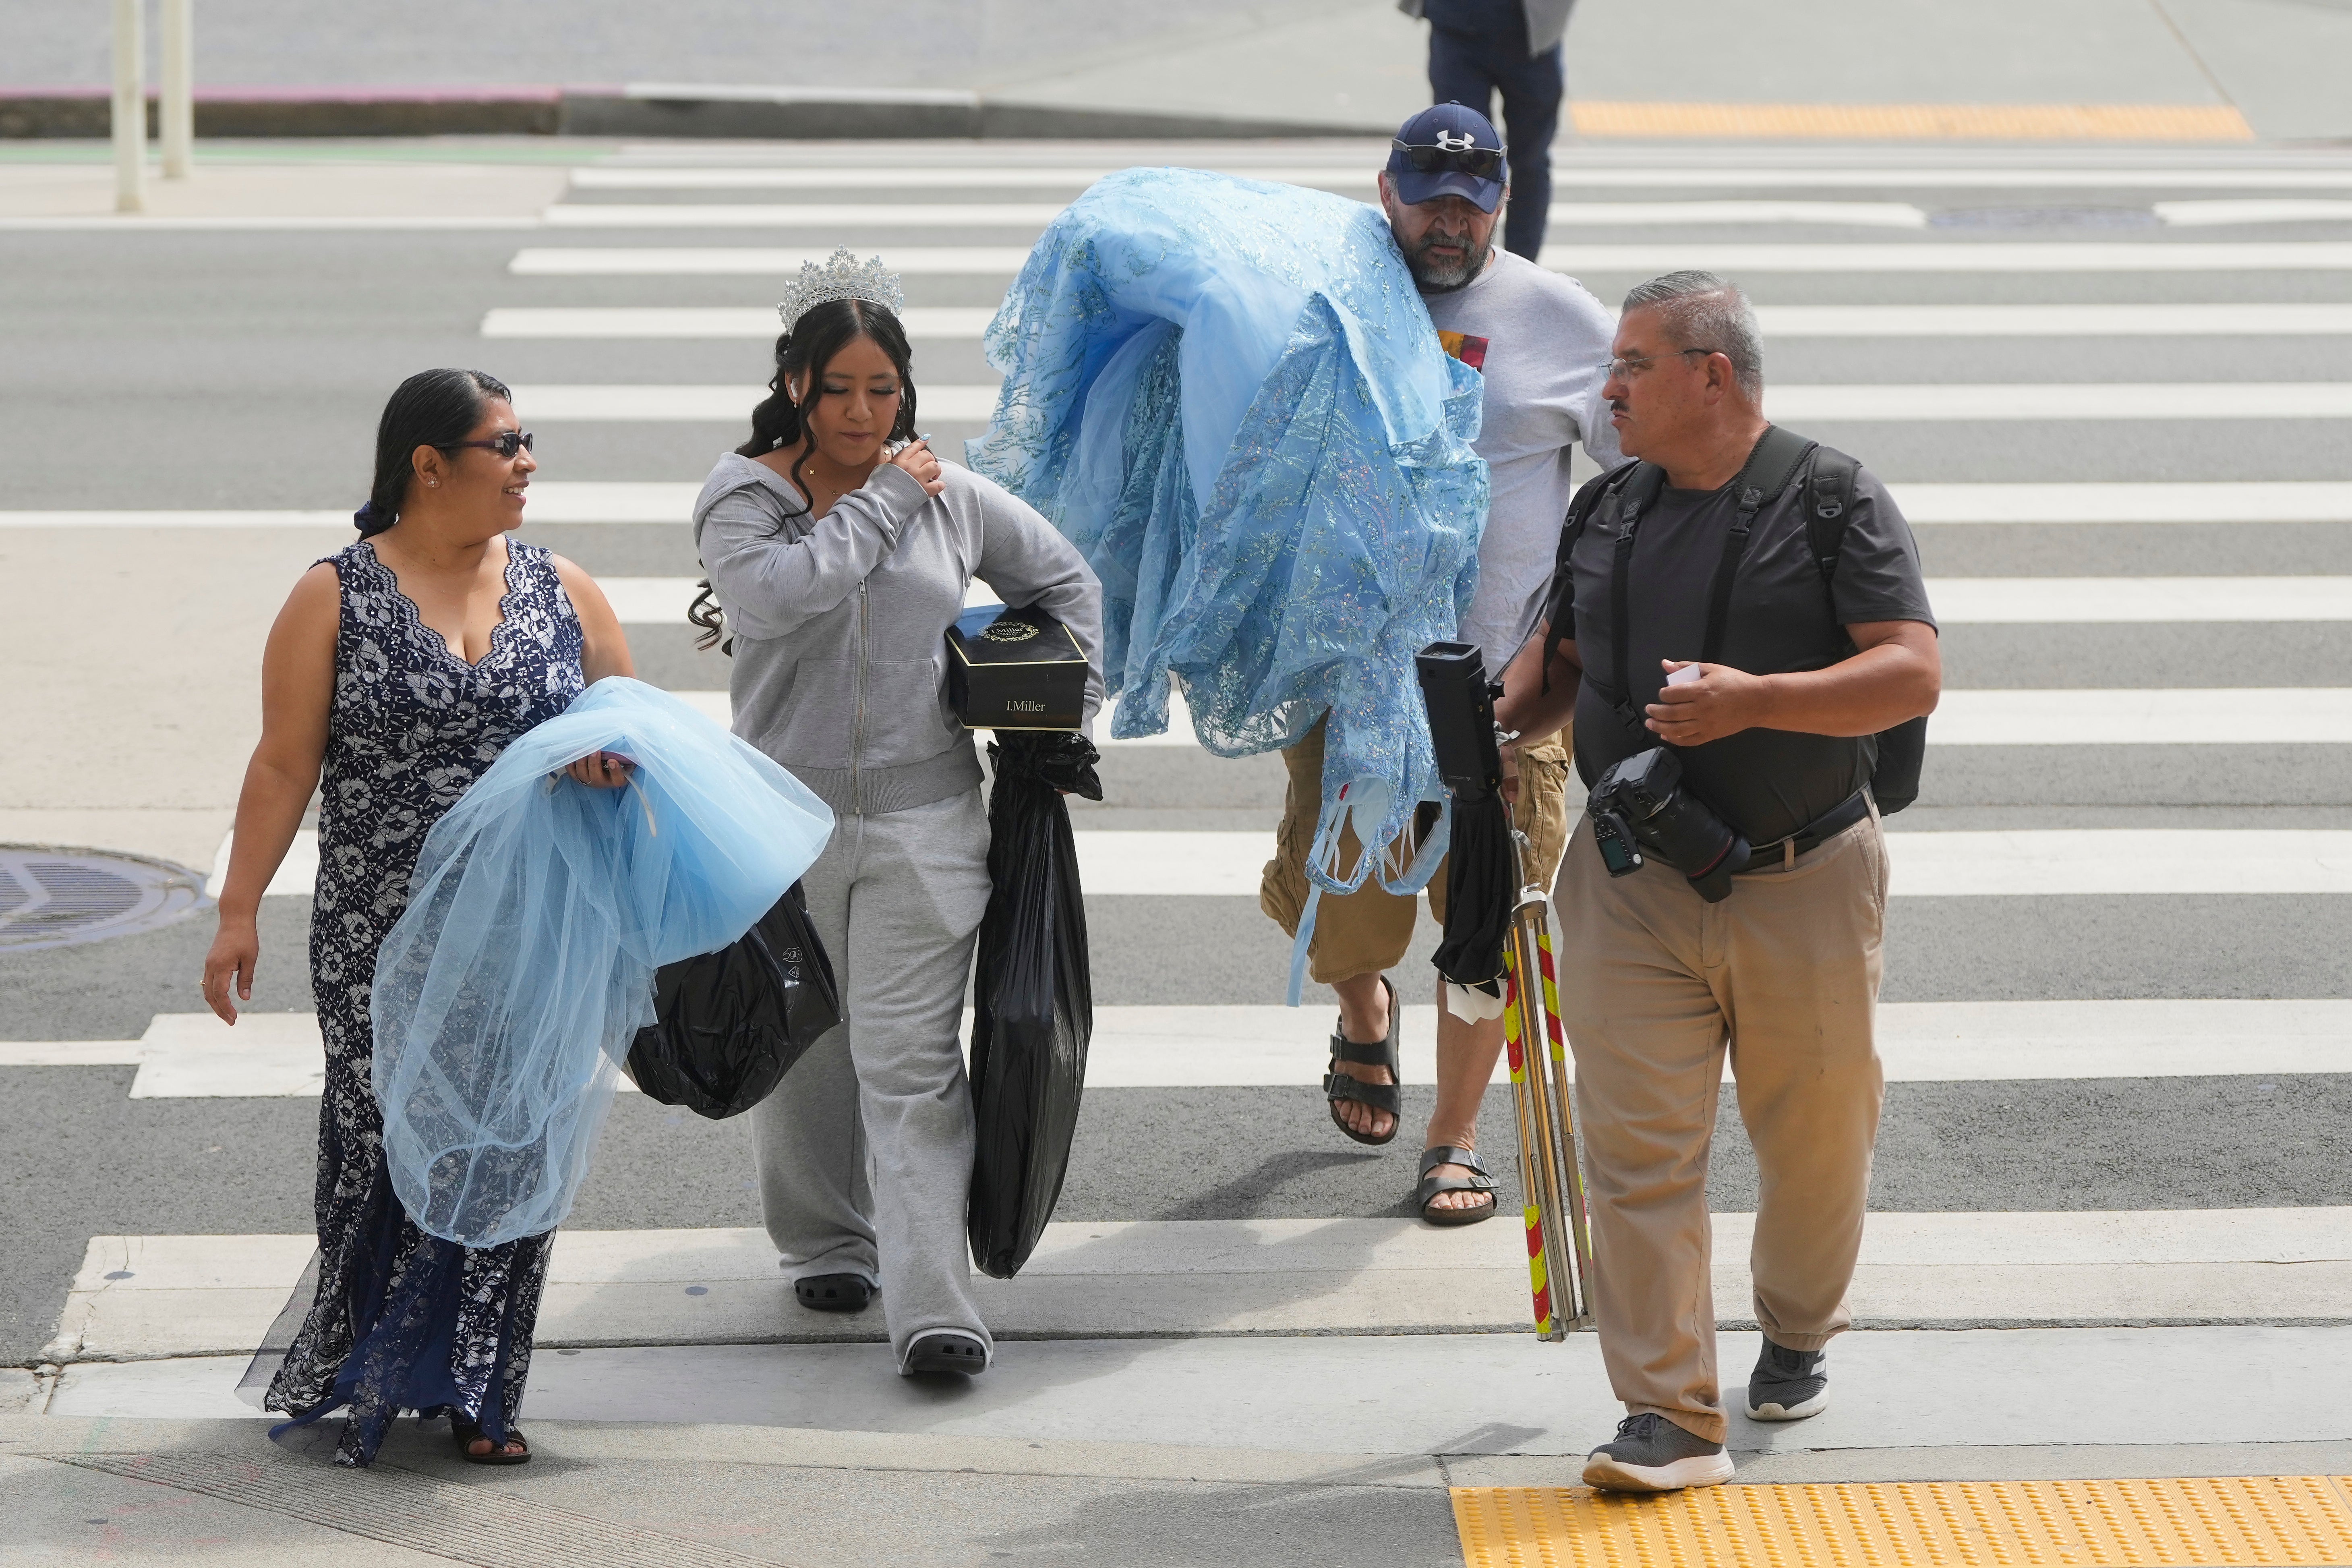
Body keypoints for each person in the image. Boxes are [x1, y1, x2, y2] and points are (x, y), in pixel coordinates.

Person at [1495, 271, 1940, 1492]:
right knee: (1633, 1151)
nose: (1608, 389)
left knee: (1813, 1138)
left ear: (1712, 373)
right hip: (1630, 875)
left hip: (1801, 871)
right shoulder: (1609, 509)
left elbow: (1907, 672)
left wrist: (1753, 702)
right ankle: (1666, 1415)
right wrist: (1494, 718)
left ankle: (1794, 1323)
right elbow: (1559, 663)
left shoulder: (1831, 497)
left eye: (1631, 365)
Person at [200, 368, 638, 1469]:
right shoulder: (333, 593)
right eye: (506, 444)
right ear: (427, 466)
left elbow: (637, 730)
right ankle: (375, 1366)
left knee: (511, 1138)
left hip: (532, 928)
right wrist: (236, 910)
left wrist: (608, 759)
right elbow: (283, 760)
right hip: (377, 934)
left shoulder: (563, 586)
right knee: (382, 1140)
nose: (528, 460)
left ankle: (485, 1386)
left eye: (528, 439)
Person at [692, 250, 1103, 1379]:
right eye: (840, 391)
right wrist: (884, 500)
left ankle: (935, 1305)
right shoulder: (744, 497)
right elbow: (781, 597)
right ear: (795, 389)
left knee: (911, 1060)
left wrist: (1058, 697)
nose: (865, 412)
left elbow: (1066, 581)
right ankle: (826, 1239)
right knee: (804, 1045)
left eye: (884, 389)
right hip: (782, 821)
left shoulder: (949, 493)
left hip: (929, 822)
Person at [1259, 102, 1619, 1225]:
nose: (1449, 219)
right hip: (1354, 682)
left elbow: (1637, 479)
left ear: (1504, 201)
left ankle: (1453, 1138)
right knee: (1351, 921)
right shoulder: (1328, 306)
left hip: (1512, 693)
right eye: (1429, 196)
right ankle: (1364, 1009)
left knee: (1495, 921)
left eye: (1472, 199)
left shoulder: (1560, 319)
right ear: (1388, 193)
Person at [1396, 0, 1575, 259]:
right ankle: (1463, 266)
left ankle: (1522, 272)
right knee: (1459, 156)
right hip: (1455, 25)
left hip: (1532, 32)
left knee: (1531, 162)